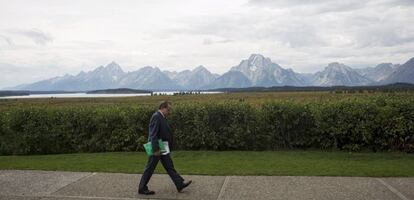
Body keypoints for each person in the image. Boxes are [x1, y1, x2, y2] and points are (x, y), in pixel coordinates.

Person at [138, 101, 192, 195]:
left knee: (169, 165)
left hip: (162, 145)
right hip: (157, 147)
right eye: (168, 109)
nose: (169, 111)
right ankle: (142, 188)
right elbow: (153, 134)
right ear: (162, 107)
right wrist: (155, 149)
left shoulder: (162, 117)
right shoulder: (156, 116)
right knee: (150, 167)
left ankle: (179, 184)